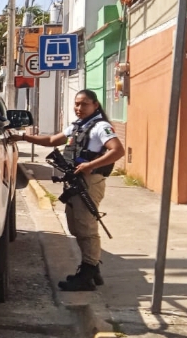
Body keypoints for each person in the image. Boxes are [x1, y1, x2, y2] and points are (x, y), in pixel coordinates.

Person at [8, 89, 126, 291]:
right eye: (77, 104)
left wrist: (89, 166)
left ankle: (87, 275)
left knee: (86, 228)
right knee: (75, 227)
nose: (79, 108)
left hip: (90, 182)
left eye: (85, 104)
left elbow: (118, 150)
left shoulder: (100, 127)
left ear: (95, 105)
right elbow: (53, 141)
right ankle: (92, 267)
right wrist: (22, 137)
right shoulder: (80, 126)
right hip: (76, 183)